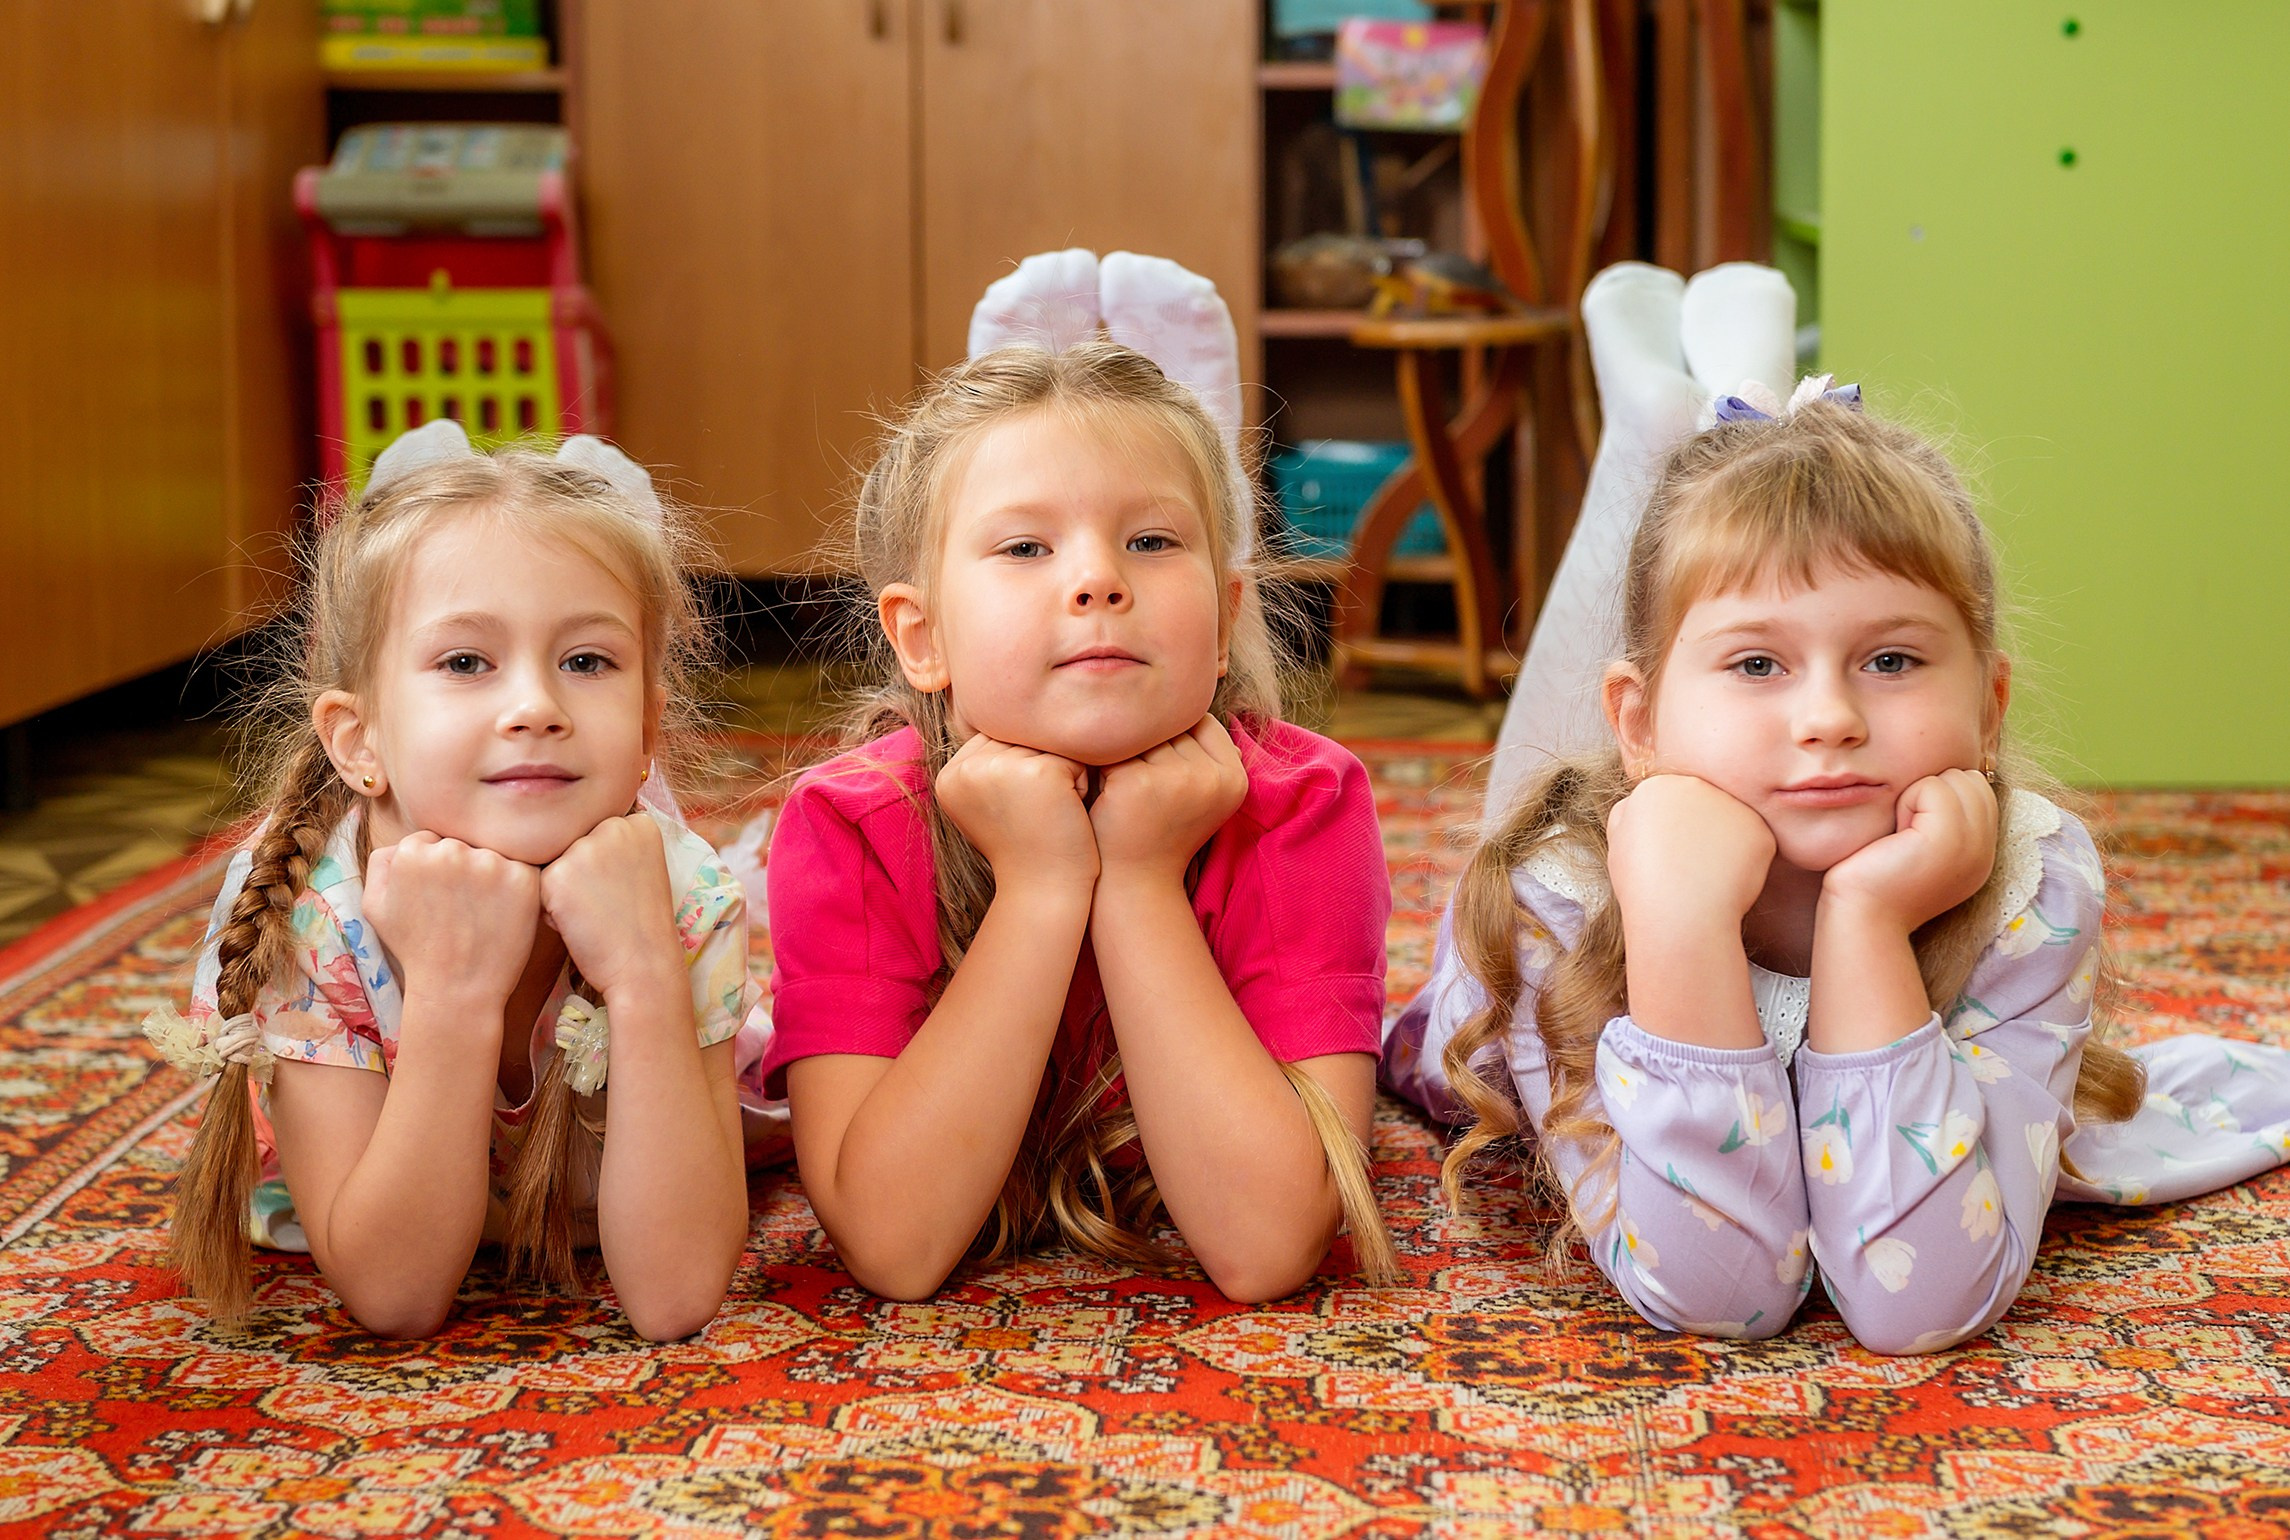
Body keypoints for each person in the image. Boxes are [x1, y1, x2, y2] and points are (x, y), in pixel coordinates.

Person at [1384, 382, 2290, 1353]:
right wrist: (1679, 926)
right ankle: (1646, 430)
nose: (1830, 717)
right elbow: (1719, 1292)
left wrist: (1866, 923)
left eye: (1891, 660)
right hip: (1491, 1012)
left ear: (1987, 708)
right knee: (1536, 784)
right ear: (1639, 728)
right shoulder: (1553, 901)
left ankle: (1699, 426)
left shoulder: (2032, 881)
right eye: (1758, 665)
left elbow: (1923, 1297)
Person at [759, 251, 1395, 1303]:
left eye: (1150, 540)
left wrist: (1140, 881)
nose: (1098, 579)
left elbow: (1268, 1244)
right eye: (1024, 548)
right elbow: (893, 1245)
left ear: (1228, 617)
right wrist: (1044, 887)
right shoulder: (850, 825)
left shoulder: (1306, 805)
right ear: (921, 638)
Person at [144, 426, 770, 1340]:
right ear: (358, 740)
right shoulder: (317, 912)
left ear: (645, 731)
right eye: (465, 662)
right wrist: (453, 992)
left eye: (587, 662)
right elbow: (395, 1297)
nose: (536, 709)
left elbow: (674, 1298)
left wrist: (639, 973)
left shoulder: (679, 892)